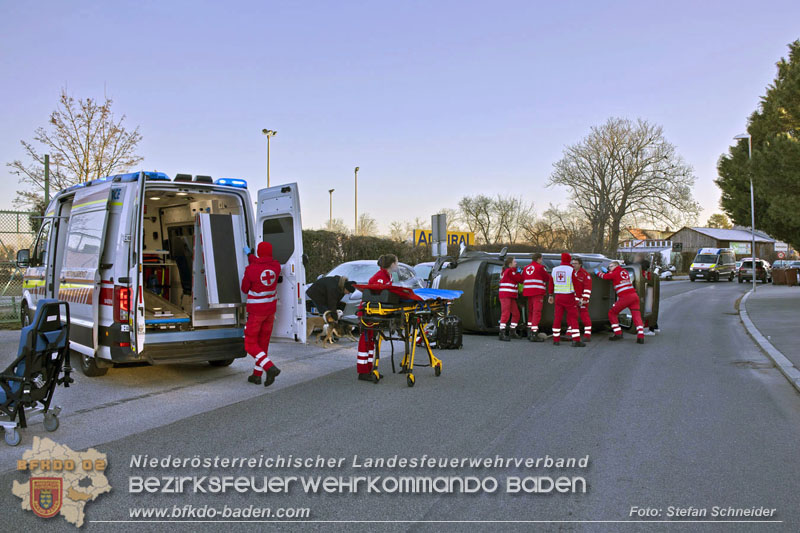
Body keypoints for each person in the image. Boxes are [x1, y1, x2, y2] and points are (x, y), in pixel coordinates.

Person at [241, 242, 282, 386]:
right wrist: (249, 255)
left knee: (250, 344)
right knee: (263, 343)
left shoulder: (251, 269)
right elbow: (261, 264)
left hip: (256, 313)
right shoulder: (276, 267)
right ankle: (257, 375)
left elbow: (244, 289)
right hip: (270, 312)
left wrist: (250, 258)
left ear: (258, 251)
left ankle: (269, 368)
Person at [356, 254, 397, 382]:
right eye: (397, 262)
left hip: (374, 313)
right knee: (365, 342)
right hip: (369, 313)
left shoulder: (387, 276)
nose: (398, 265)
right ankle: (363, 371)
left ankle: (369, 369)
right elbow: (376, 294)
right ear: (391, 264)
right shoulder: (380, 277)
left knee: (371, 342)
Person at [595, 260, 644, 344]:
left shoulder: (615, 272)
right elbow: (615, 277)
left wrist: (598, 273)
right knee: (636, 315)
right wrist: (608, 272)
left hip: (625, 297)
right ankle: (641, 335)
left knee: (612, 313)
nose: (609, 268)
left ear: (615, 266)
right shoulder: (624, 271)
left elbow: (605, 277)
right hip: (634, 296)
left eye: (610, 266)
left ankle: (618, 333)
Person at [548, 253, 585, 347]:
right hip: (569, 296)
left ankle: (556, 339)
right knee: (573, 317)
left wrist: (550, 295)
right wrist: (580, 297)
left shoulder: (554, 270)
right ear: (569, 260)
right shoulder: (571, 270)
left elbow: (551, 284)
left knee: (557, 317)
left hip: (558, 297)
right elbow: (576, 284)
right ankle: (576, 340)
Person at [522, 252, 549, 342]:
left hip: (528, 292)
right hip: (537, 292)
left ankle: (529, 332)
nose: (541, 261)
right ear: (538, 259)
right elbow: (547, 278)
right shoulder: (540, 267)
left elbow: (523, 279)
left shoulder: (526, 268)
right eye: (541, 259)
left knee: (531, 312)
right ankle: (534, 333)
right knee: (536, 312)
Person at [633, 253, 660, 336]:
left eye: (636, 257)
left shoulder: (642, 273)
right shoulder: (647, 273)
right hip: (648, 293)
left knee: (647, 310)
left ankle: (651, 329)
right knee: (649, 309)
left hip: (647, 293)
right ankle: (655, 327)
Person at [498, 256, 524, 341]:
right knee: (505, 314)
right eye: (514, 262)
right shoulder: (509, 271)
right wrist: (519, 273)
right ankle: (501, 333)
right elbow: (519, 279)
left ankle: (512, 331)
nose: (516, 263)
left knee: (516, 313)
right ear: (510, 264)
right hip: (506, 295)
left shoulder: (507, 271)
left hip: (510, 296)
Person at [570, 256, 593, 342]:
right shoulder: (571, 272)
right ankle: (570, 334)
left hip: (582, 299)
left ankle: (587, 335)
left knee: (585, 317)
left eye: (575, 263)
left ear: (580, 264)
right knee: (572, 316)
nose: (573, 265)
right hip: (573, 299)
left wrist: (584, 299)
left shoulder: (585, 274)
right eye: (572, 263)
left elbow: (588, 288)